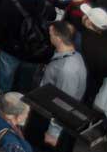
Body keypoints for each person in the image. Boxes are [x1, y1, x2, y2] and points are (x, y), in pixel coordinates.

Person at [0, 0, 54, 93]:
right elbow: (52, 15)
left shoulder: (8, 1)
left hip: (11, 49)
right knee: (25, 84)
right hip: (34, 51)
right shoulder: (44, 3)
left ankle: (3, 100)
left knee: (5, 81)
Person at [26, 21, 86, 152]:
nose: (49, 36)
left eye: (51, 34)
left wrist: (53, 132)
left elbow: (64, 103)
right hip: (45, 107)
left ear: (58, 39)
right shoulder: (72, 54)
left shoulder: (67, 70)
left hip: (48, 117)